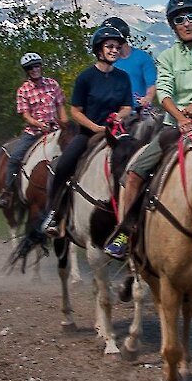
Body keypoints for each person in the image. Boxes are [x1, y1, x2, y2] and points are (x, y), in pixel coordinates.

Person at [104, 0, 192, 259]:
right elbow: (164, 92)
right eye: (179, 19)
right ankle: (127, 231)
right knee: (136, 172)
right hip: (174, 126)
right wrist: (181, 118)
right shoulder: (167, 57)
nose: (186, 22)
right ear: (173, 25)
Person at [38, 24, 136, 238]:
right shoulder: (86, 78)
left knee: (139, 164)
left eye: (117, 47)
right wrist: (96, 128)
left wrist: (118, 117)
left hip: (117, 133)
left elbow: (128, 106)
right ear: (99, 49)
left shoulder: (123, 78)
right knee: (62, 165)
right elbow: (75, 111)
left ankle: (134, 219)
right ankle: (54, 213)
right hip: (88, 134)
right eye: (109, 46)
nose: (114, 50)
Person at [2, 51, 63, 199]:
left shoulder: (52, 84)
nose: (34, 70)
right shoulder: (23, 90)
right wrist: (39, 124)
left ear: (41, 67)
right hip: (33, 132)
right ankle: (8, 192)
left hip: (55, 130)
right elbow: (25, 115)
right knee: (15, 158)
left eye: (36, 66)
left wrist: (65, 125)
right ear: (27, 71)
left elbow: (60, 107)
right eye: (30, 68)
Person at [102, 15, 159, 111]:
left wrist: (148, 98)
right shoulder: (107, 62)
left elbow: (151, 84)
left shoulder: (142, 57)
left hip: (139, 109)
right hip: (116, 111)